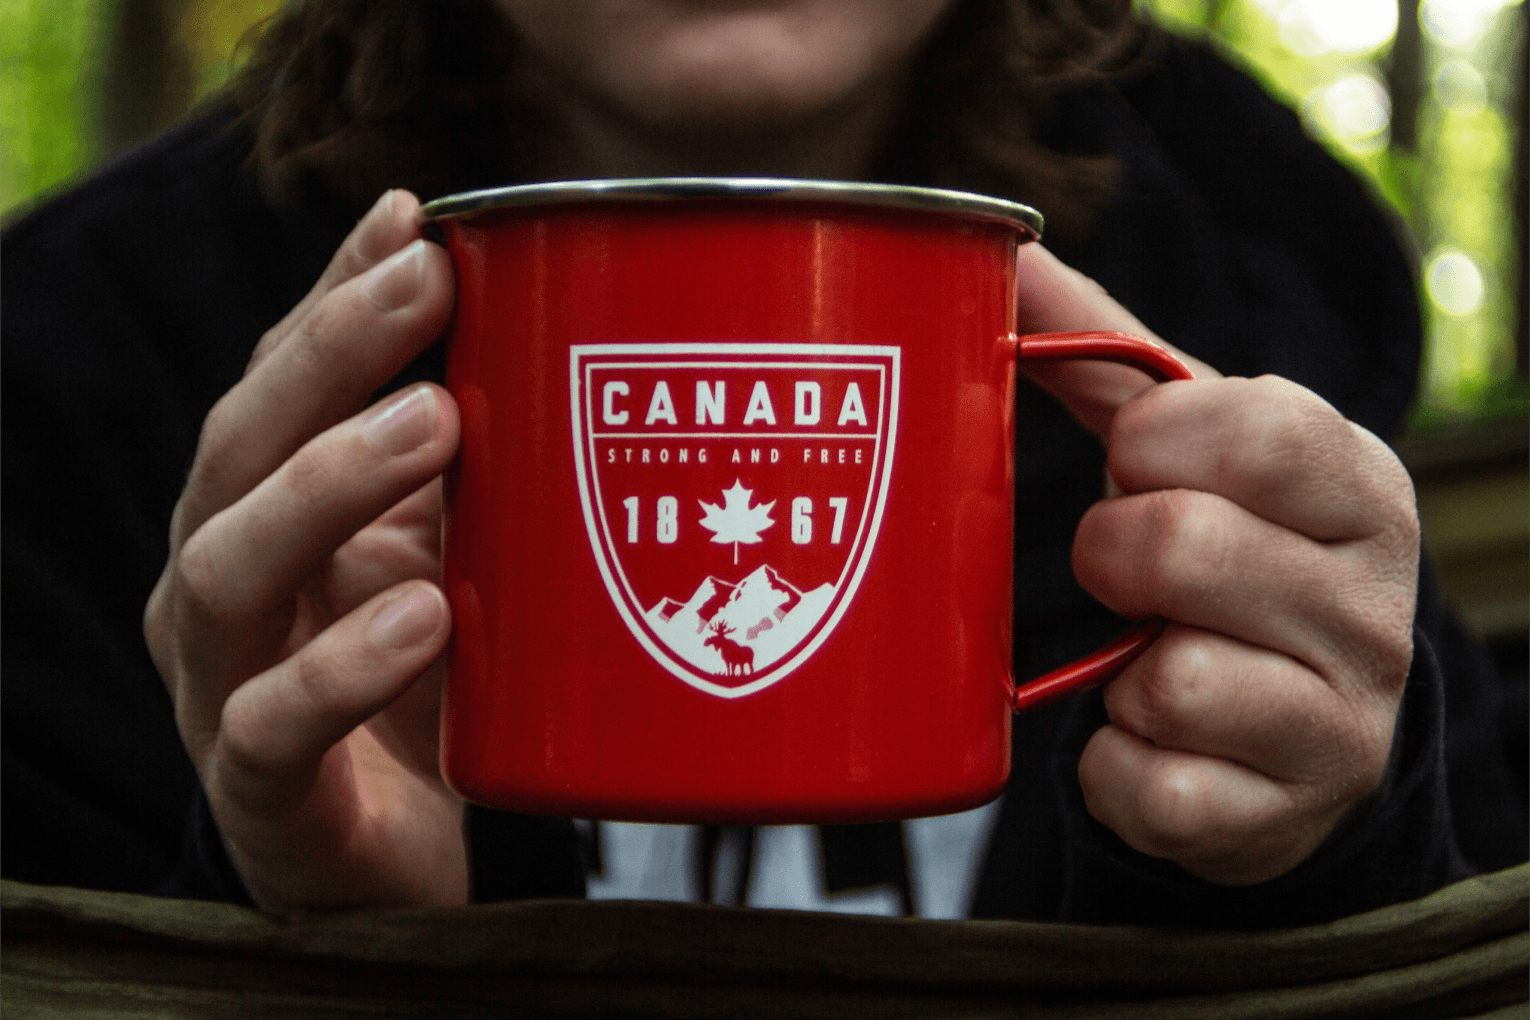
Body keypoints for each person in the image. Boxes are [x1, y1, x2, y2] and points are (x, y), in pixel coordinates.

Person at [3, 0, 1524, 924]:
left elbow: (1460, 914)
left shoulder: (1255, 283)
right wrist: (315, 954)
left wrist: (1316, 846)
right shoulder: (72, 367)